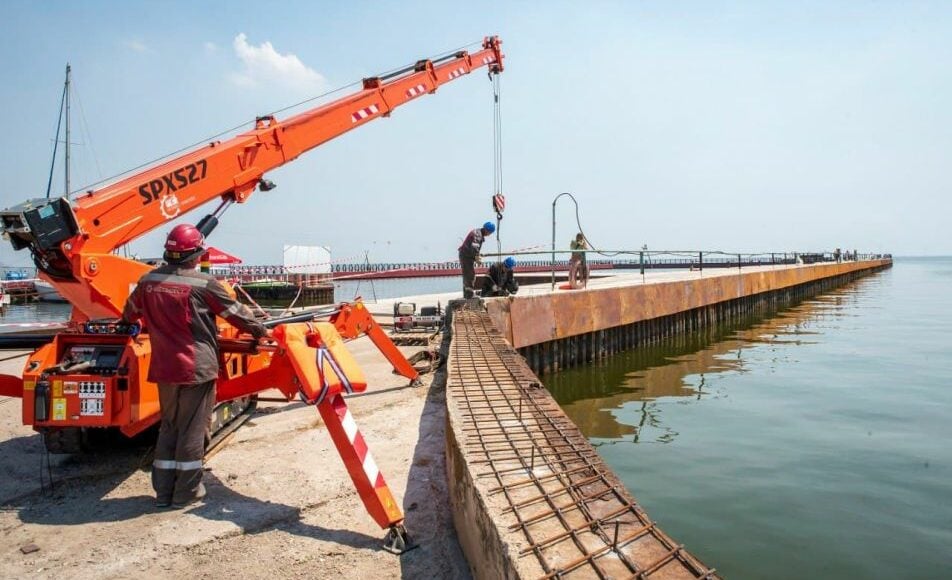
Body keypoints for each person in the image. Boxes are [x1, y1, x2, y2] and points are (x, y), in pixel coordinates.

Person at [121, 223, 269, 509]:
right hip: (195, 368)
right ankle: (186, 494)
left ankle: (163, 493)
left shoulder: (147, 281)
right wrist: (263, 331)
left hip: (164, 368)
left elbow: (129, 313)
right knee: (192, 430)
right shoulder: (205, 285)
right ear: (197, 254)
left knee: (170, 426)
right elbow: (240, 316)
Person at [458, 221, 495, 298]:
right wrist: (477, 258)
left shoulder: (478, 233)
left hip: (467, 255)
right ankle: (469, 294)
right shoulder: (478, 234)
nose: (489, 235)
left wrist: (477, 255)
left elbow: (474, 248)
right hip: (466, 256)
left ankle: (467, 294)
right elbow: (474, 248)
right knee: (470, 275)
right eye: (490, 233)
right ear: (488, 231)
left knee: (468, 274)